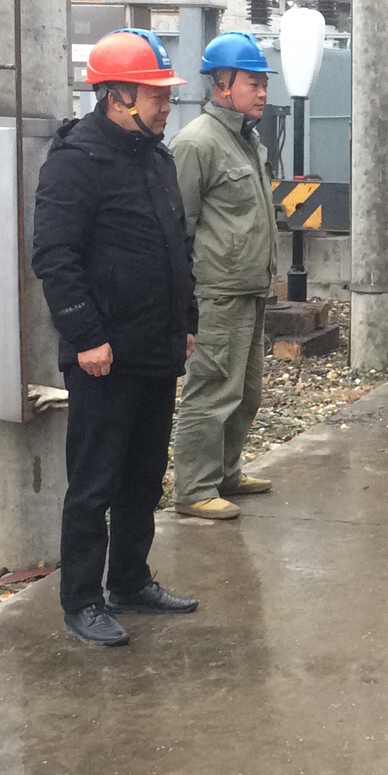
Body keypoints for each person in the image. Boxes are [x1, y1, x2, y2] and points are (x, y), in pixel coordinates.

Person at [31, 28, 203, 648]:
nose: (165, 106)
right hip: (102, 357)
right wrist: (85, 336)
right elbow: (55, 257)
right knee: (95, 481)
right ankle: (82, 599)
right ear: (116, 95)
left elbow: (175, 245)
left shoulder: (155, 157)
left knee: (143, 476)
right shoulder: (75, 162)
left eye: (166, 94)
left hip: (155, 347)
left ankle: (130, 580)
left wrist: (186, 322)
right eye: (156, 95)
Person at [170, 32, 281, 520]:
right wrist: (185, 304)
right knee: (212, 391)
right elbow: (177, 228)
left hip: (249, 289)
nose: (262, 92)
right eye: (252, 83)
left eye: (263, 83)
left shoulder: (246, 141)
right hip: (217, 293)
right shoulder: (196, 144)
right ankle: (195, 488)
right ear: (221, 84)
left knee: (245, 392)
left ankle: (226, 473)